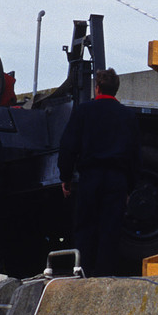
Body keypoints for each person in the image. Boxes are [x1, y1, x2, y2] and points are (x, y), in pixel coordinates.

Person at [58, 68, 142, 276]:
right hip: (117, 179)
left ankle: (83, 271)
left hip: (90, 176)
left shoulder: (84, 112)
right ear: (116, 89)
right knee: (110, 228)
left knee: (85, 226)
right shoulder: (128, 116)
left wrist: (65, 177)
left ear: (97, 88)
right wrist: (130, 186)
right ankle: (105, 274)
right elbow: (135, 155)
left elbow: (68, 146)